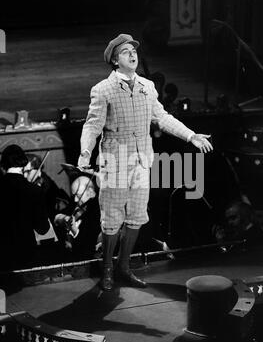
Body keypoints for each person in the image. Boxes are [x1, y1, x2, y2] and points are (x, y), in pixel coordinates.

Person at [78, 33, 213, 291]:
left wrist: (190, 135)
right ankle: (107, 269)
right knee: (111, 219)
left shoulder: (147, 86)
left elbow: (162, 117)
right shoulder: (103, 89)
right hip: (115, 162)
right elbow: (92, 126)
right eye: (126, 52)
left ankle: (124, 267)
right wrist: (86, 152)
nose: (132, 54)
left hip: (141, 162)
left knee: (137, 218)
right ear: (115, 60)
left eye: (134, 50)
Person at [0, 144, 50, 269]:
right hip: (26, 253)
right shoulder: (35, 191)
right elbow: (43, 229)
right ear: (23, 164)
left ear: (3, 165)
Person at [54, 175, 101, 261]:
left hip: (82, 259)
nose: (75, 200)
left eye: (78, 196)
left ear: (90, 192)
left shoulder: (97, 210)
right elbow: (61, 214)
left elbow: (88, 246)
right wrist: (61, 218)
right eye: (74, 195)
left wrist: (75, 231)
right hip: (66, 252)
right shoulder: (77, 203)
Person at [24, 153, 70, 223]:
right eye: (23, 171)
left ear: (38, 171)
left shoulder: (46, 184)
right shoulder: (27, 182)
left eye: (28, 171)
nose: (24, 175)